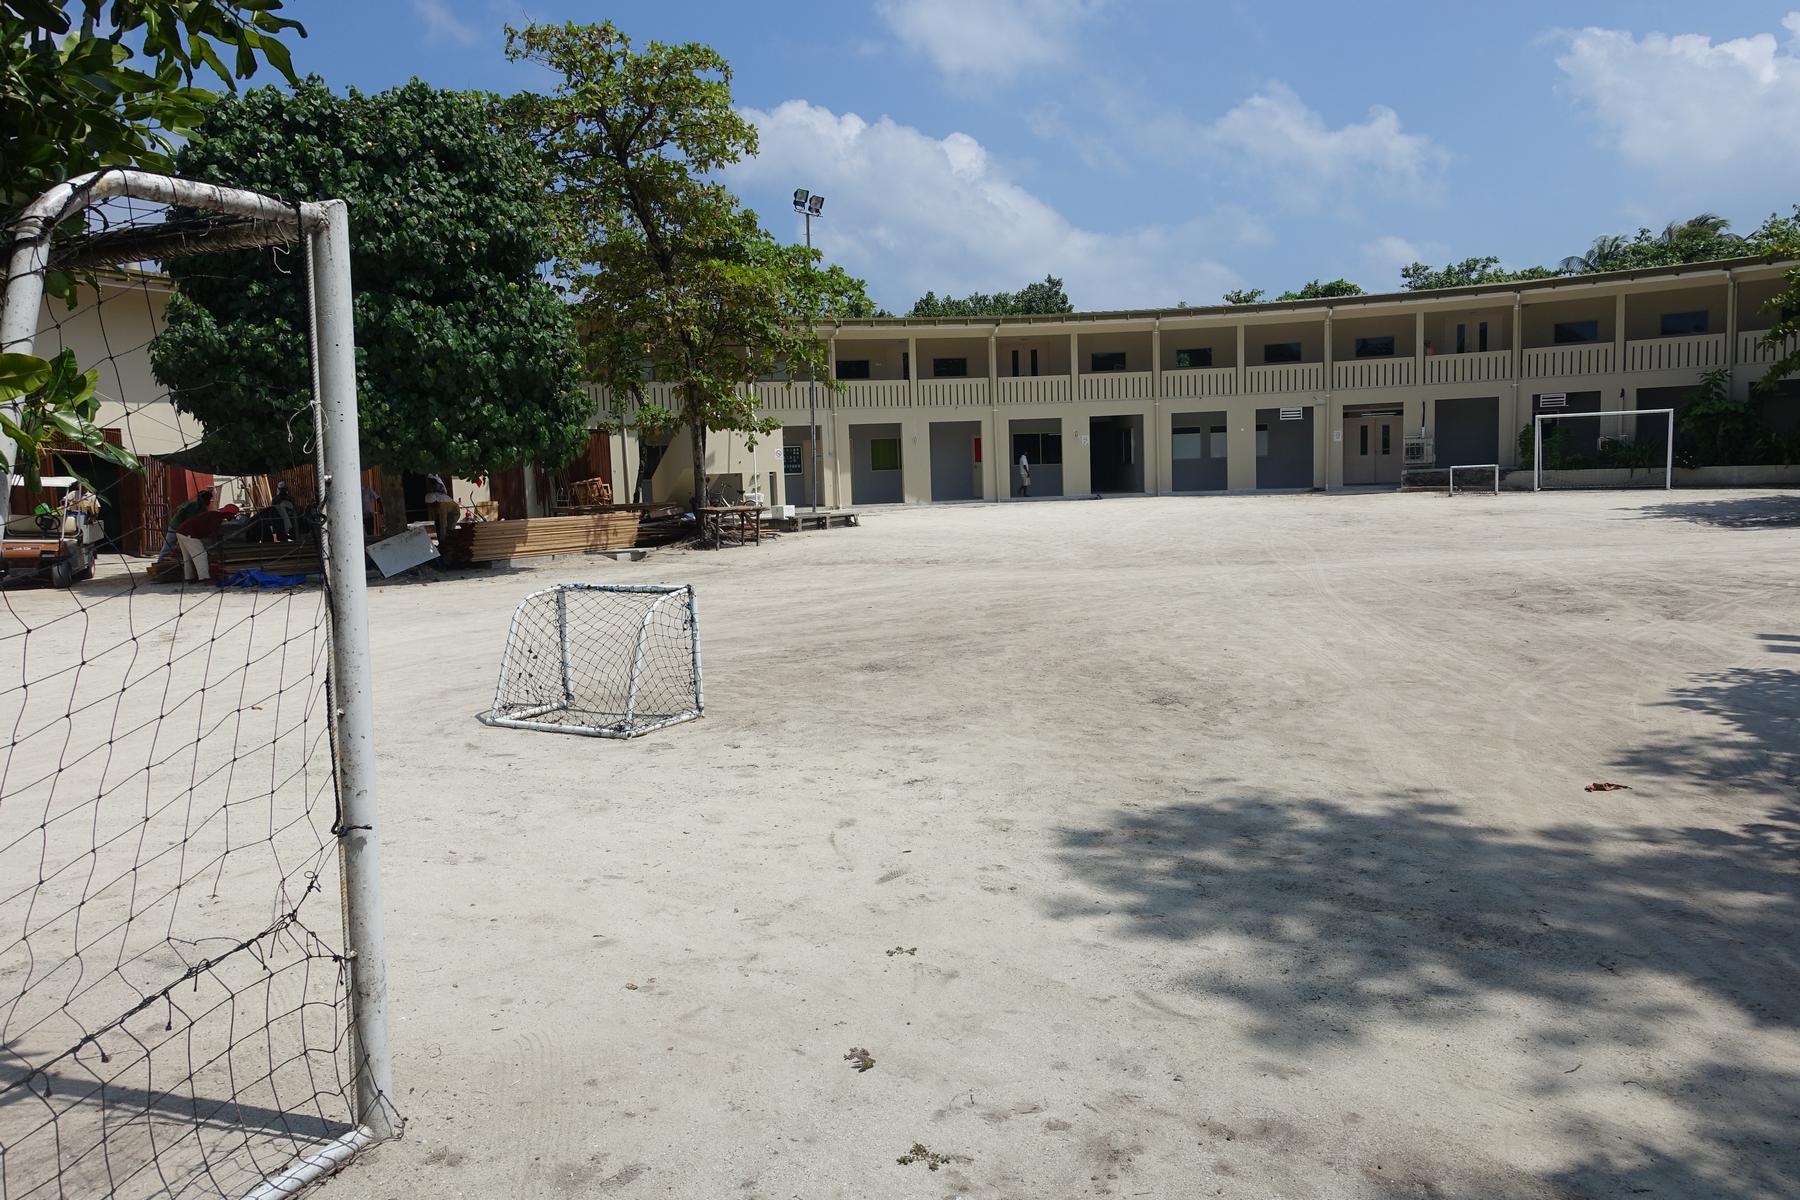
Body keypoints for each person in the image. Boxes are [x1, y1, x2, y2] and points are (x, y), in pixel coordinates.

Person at [174, 503, 240, 583]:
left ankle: (189, 578)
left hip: (181, 531)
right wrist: (219, 550)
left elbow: (214, 533)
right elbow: (214, 534)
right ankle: (204, 578)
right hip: (189, 533)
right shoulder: (216, 518)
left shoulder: (215, 516)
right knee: (201, 555)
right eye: (233, 515)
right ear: (228, 513)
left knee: (188, 558)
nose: (233, 517)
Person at [158, 488, 212, 561]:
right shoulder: (190, 505)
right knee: (168, 546)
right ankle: (159, 562)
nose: (208, 502)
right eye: (207, 500)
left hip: (187, 530)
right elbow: (180, 515)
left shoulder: (203, 510)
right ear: (201, 499)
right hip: (175, 526)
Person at [424, 472, 457, 551]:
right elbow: (437, 520)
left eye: (432, 504)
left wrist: (443, 537)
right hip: (445, 509)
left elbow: (443, 522)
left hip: (453, 512)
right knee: (437, 524)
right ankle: (442, 544)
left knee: (449, 528)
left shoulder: (442, 505)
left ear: (436, 501)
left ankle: (449, 546)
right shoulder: (433, 501)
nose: (431, 506)